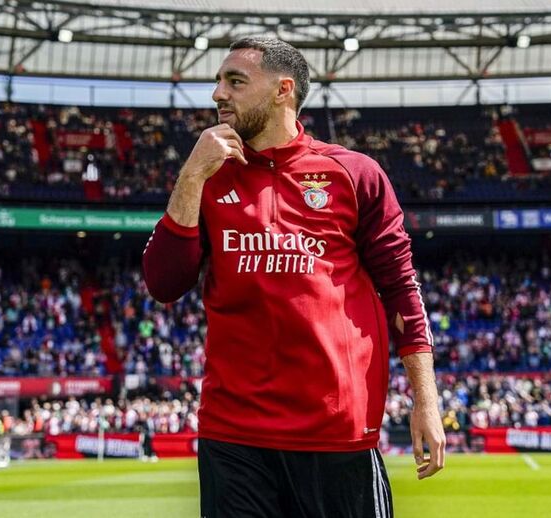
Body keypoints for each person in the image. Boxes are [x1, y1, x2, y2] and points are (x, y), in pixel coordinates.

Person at [143, 37, 445, 518]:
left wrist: (425, 400)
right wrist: (191, 176)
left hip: (335, 432)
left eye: (235, 81)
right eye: (218, 81)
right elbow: (163, 283)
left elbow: (402, 290)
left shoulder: (354, 173)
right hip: (234, 434)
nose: (218, 93)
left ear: (283, 90)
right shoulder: (208, 176)